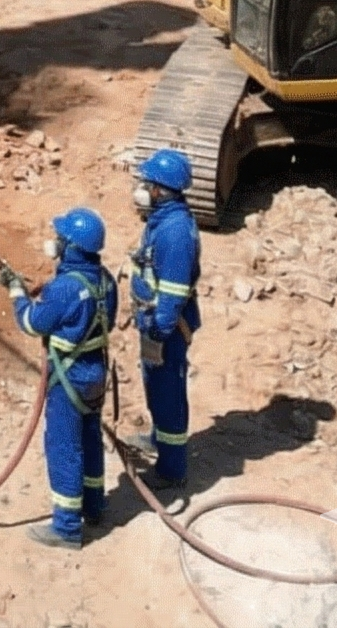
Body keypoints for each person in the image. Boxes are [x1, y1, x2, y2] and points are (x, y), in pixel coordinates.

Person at [0, 207, 117, 549]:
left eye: (61, 239)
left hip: (69, 379)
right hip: (96, 374)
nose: (56, 243)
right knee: (91, 438)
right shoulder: (104, 280)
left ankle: (66, 528)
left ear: (73, 247)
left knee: (64, 447)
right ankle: (94, 507)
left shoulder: (65, 289)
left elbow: (33, 323)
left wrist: (17, 294)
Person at [129, 147, 202, 494]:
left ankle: (172, 470)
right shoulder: (163, 221)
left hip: (167, 328)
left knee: (168, 393)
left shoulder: (174, 233)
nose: (142, 189)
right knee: (156, 389)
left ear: (162, 189)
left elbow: (172, 293)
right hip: (156, 323)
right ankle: (160, 438)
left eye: (148, 183)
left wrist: (158, 330)